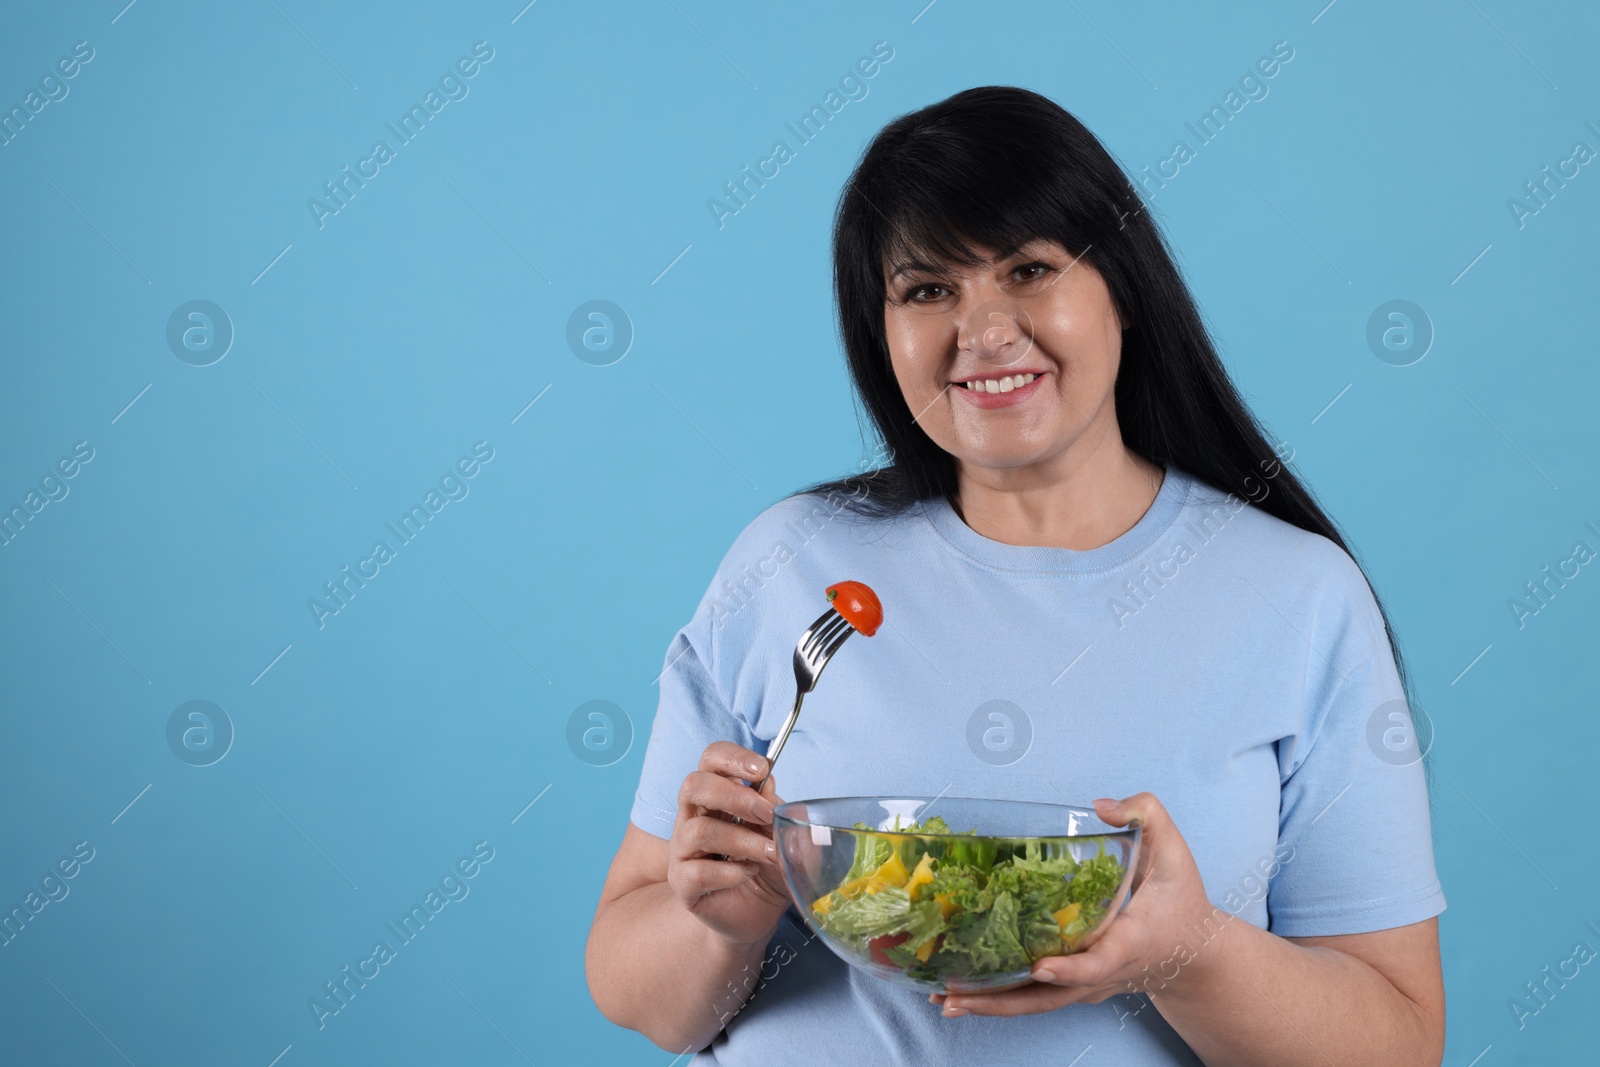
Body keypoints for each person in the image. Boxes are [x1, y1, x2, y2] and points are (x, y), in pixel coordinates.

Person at [585, 86, 1446, 1066]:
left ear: (1121, 286)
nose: (983, 330)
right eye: (927, 290)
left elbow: (1397, 1042)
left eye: (1029, 269)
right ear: (883, 331)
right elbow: (635, 987)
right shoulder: (789, 562)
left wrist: (1189, 952)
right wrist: (719, 923)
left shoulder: (1296, 596)